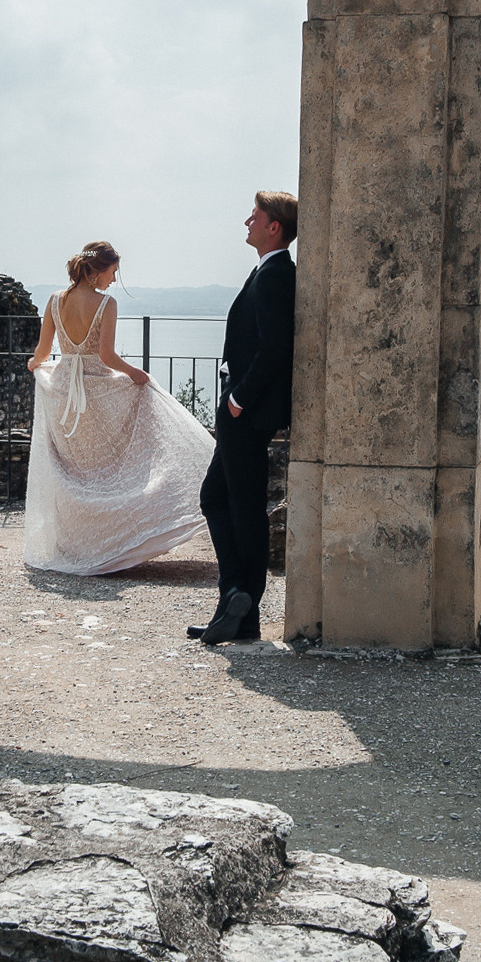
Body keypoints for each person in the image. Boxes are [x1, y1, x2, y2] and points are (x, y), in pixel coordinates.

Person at [23, 241, 215, 574]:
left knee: (74, 469)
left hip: (63, 390)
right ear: (97, 270)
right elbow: (107, 357)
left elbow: (42, 352)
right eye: (112, 273)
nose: (113, 281)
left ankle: (76, 546)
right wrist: (136, 374)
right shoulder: (106, 304)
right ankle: (112, 543)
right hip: (96, 391)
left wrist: (34, 365)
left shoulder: (54, 301)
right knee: (104, 470)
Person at [192, 192, 296, 645]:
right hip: (243, 410)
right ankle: (237, 610)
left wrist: (239, 399)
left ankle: (237, 598)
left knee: (235, 505)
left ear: (275, 226)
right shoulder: (267, 270)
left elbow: (277, 348)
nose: (247, 222)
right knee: (225, 500)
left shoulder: (276, 274)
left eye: (255, 216)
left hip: (246, 412)